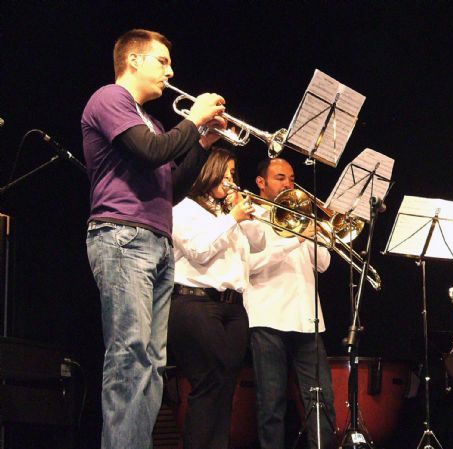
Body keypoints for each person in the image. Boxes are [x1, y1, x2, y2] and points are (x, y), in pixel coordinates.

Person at [82, 29, 226, 449]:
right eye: (162, 61)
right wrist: (194, 119)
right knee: (130, 358)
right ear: (134, 61)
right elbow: (150, 152)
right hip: (122, 236)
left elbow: (173, 188)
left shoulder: (156, 121)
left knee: (153, 364)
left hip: (158, 243)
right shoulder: (109, 98)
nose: (170, 71)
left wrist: (202, 142)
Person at [169, 149, 307, 449]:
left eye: (233, 174)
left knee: (225, 388)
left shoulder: (225, 214)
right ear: (209, 172)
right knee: (209, 383)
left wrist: (245, 216)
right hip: (196, 305)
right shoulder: (183, 208)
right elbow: (199, 250)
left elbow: (257, 245)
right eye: (227, 174)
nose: (232, 180)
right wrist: (232, 217)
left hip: (232, 309)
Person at [244, 158, 337, 449]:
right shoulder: (251, 214)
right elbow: (250, 265)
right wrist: (296, 239)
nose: (288, 184)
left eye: (291, 179)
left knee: (321, 402)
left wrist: (319, 233)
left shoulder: (300, 216)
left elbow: (322, 265)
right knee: (271, 405)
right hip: (268, 316)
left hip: (307, 317)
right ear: (261, 182)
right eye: (280, 178)